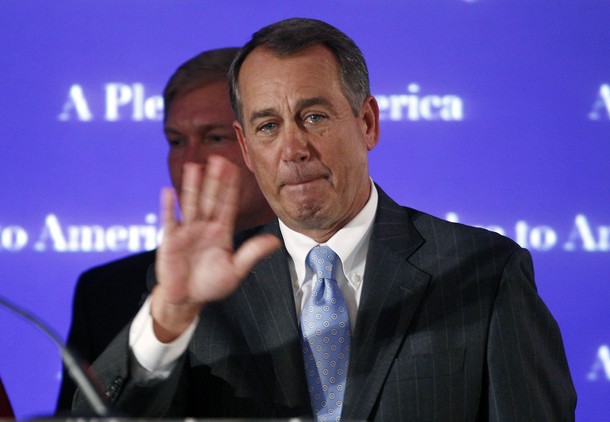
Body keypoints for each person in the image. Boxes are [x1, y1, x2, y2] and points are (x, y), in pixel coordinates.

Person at [73, 18, 576, 421]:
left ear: (367, 123)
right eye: (268, 126)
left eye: (314, 116)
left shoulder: (486, 272)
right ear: (247, 149)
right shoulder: (201, 297)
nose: (293, 149)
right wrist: (169, 317)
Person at [55, 47, 274, 412]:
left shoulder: (328, 270)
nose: (189, 162)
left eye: (215, 137)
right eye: (176, 142)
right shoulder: (106, 293)